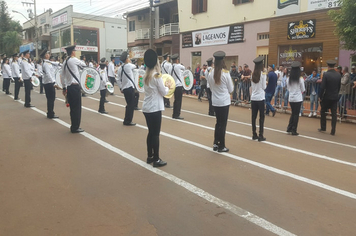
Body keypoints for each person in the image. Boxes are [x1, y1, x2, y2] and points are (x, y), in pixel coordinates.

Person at [142, 49, 169, 167]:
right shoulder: (157, 76)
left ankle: (149, 156)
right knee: (156, 134)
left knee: (150, 132)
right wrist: (167, 87)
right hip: (155, 108)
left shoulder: (146, 75)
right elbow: (163, 92)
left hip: (147, 107)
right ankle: (156, 158)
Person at [207, 51, 233, 152]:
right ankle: (222, 145)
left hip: (215, 101)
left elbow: (210, 87)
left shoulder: (210, 73)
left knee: (218, 123)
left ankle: (215, 143)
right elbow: (230, 89)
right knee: (223, 124)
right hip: (224, 102)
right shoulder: (225, 73)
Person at [61, 45, 86, 133]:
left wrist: (64, 87)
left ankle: (73, 126)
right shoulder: (74, 60)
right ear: (72, 52)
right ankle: (76, 127)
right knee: (77, 108)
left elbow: (62, 76)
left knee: (72, 108)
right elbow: (84, 65)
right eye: (74, 51)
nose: (75, 52)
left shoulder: (64, 62)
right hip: (75, 87)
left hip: (69, 87)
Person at [318, 60, 341, 135]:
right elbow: (339, 86)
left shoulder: (326, 74)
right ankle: (333, 129)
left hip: (327, 96)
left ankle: (323, 127)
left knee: (323, 111)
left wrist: (320, 96)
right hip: (335, 96)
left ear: (328, 66)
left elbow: (323, 87)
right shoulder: (338, 75)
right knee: (334, 113)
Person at [117, 51, 137, 126]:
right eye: (128, 58)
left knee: (128, 104)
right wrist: (130, 62)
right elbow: (135, 66)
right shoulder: (128, 66)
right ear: (126, 59)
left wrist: (121, 87)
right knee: (131, 105)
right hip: (130, 87)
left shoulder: (120, 68)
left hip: (125, 88)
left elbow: (118, 79)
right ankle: (128, 120)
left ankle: (126, 119)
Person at [286, 61, 305, 136]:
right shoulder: (300, 79)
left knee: (293, 113)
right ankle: (294, 129)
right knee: (296, 114)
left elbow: (288, 88)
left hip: (291, 98)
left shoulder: (288, 79)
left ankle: (289, 127)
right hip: (298, 98)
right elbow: (303, 89)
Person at [250, 56, 267, 142]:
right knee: (261, 117)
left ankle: (254, 134)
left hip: (253, 97)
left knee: (253, 116)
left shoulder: (252, 74)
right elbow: (264, 87)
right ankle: (261, 134)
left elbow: (252, 87)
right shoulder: (263, 75)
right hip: (260, 97)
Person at [41, 49, 59, 119]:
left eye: (48, 54)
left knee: (51, 98)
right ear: (45, 55)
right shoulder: (46, 64)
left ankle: (50, 112)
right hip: (49, 83)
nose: (48, 55)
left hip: (48, 82)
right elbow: (48, 74)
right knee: (51, 98)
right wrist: (53, 82)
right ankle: (50, 113)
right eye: (47, 54)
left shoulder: (48, 63)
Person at [171, 54, 185, 119]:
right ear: (177, 60)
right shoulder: (178, 66)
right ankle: (177, 114)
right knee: (179, 101)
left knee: (175, 100)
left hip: (173, 85)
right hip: (179, 85)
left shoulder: (170, 67)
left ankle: (174, 113)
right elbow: (184, 68)